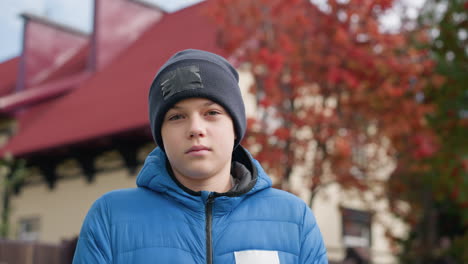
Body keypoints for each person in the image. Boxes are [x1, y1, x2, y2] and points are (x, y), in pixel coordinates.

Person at [72, 49, 328, 263]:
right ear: (160, 135)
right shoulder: (111, 217)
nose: (195, 129)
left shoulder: (293, 218)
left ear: (235, 126)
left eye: (212, 113)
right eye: (176, 117)